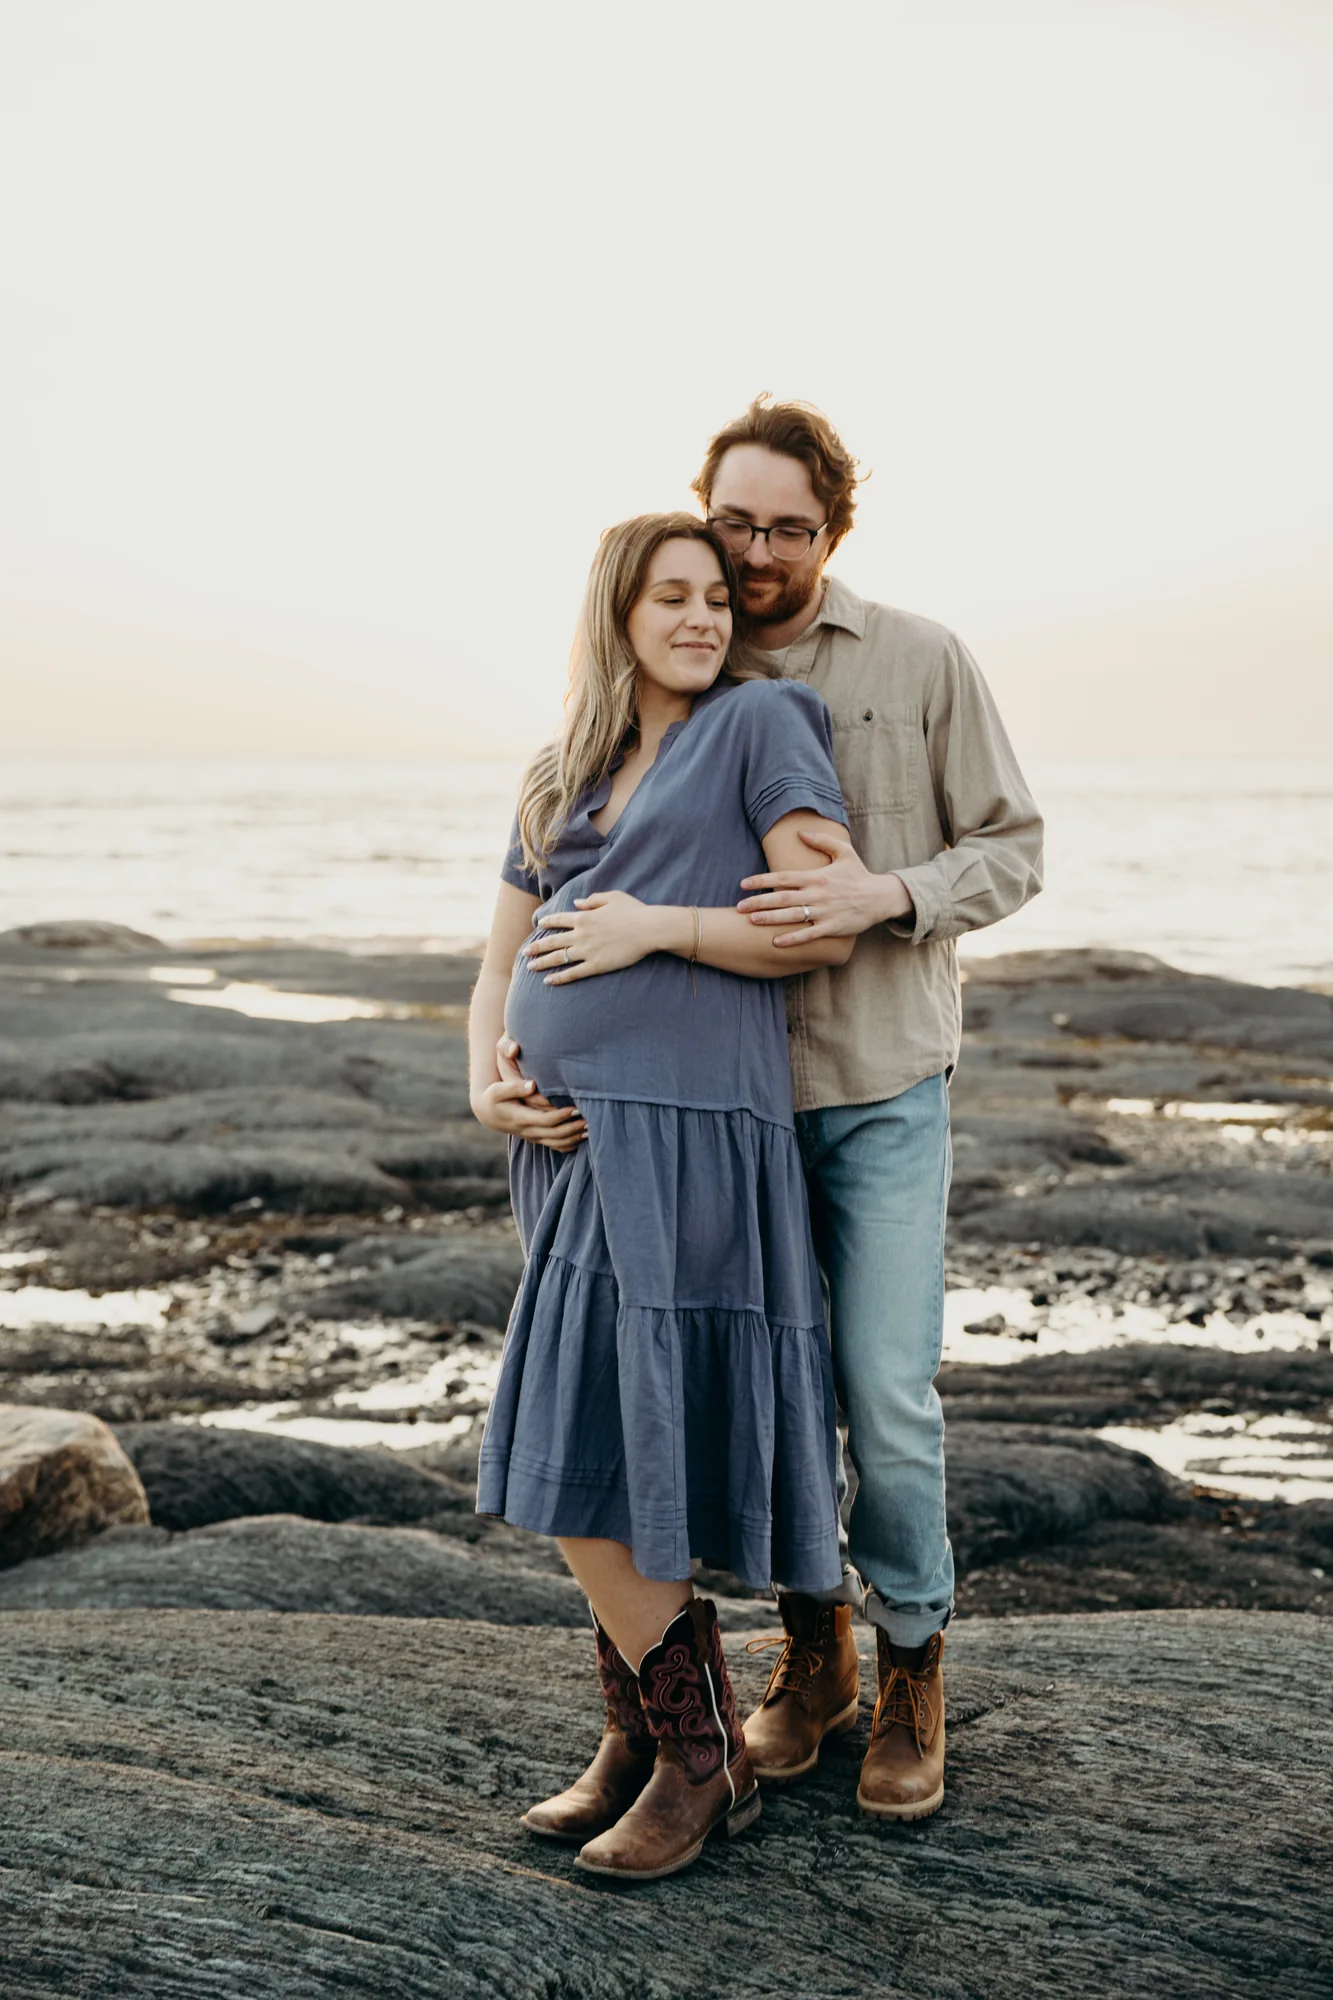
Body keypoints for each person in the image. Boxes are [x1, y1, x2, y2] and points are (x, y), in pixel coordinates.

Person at [501, 406, 1044, 1822]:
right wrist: (498, 1049)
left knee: (880, 1387)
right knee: (762, 1392)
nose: (751, 556)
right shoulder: (687, 669)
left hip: (871, 1081)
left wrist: (890, 892)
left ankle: (912, 1664)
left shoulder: (911, 661)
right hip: (711, 1110)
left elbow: (1013, 846)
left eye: (784, 529)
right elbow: (542, 892)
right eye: (731, 525)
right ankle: (812, 1658)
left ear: (831, 531)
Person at [469, 511, 856, 1881]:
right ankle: (641, 1735)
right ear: (618, 615)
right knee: (611, 1435)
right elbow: (499, 958)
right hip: (566, 1142)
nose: (700, 618)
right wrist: (484, 1081)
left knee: (580, 1427)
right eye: (670, 597)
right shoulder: (559, 771)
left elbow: (816, 922)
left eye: (714, 598)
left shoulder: (762, 725)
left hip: (687, 1136)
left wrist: (655, 930)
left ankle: (703, 1760)